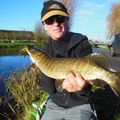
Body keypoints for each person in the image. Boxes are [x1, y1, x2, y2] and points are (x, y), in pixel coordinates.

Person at [39, 1, 98, 120]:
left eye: (60, 18)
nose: (55, 24)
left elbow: (89, 81)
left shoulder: (81, 43)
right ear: (44, 26)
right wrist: (40, 64)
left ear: (67, 20)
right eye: (50, 20)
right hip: (55, 105)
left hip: (81, 105)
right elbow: (49, 88)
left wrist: (83, 85)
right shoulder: (44, 51)